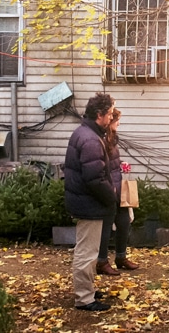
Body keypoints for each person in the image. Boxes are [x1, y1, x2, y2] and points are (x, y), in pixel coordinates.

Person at [64, 92, 118, 312]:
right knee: (86, 252)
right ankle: (84, 298)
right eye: (110, 114)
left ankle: (87, 289)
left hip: (86, 203)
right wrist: (111, 197)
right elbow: (94, 178)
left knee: (89, 250)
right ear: (100, 115)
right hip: (89, 205)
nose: (112, 118)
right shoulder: (89, 139)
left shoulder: (85, 133)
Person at [96, 108, 139, 275]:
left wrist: (121, 163)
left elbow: (112, 162)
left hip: (118, 185)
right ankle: (101, 261)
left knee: (124, 221)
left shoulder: (112, 139)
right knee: (106, 225)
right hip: (109, 188)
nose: (119, 123)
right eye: (116, 120)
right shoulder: (100, 140)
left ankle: (121, 257)